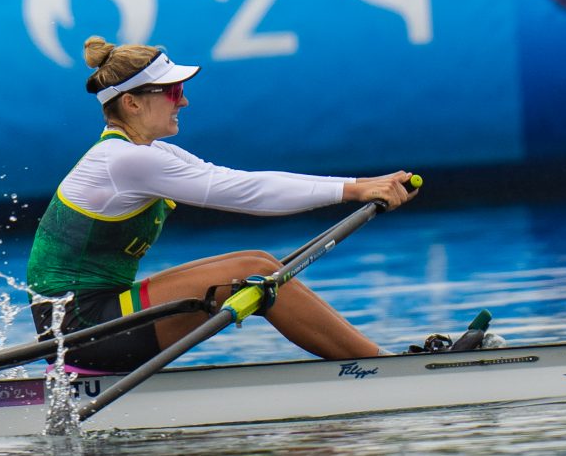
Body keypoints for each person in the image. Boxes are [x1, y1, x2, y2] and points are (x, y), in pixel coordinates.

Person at [27, 36, 418, 372]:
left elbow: (239, 179)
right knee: (251, 271)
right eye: (173, 92)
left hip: (95, 315)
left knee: (261, 264)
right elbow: (247, 193)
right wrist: (353, 191)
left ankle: (381, 361)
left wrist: (367, 184)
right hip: (80, 329)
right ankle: (386, 368)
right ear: (131, 103)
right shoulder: (126, 160)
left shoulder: (148, 152)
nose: (184, 102)